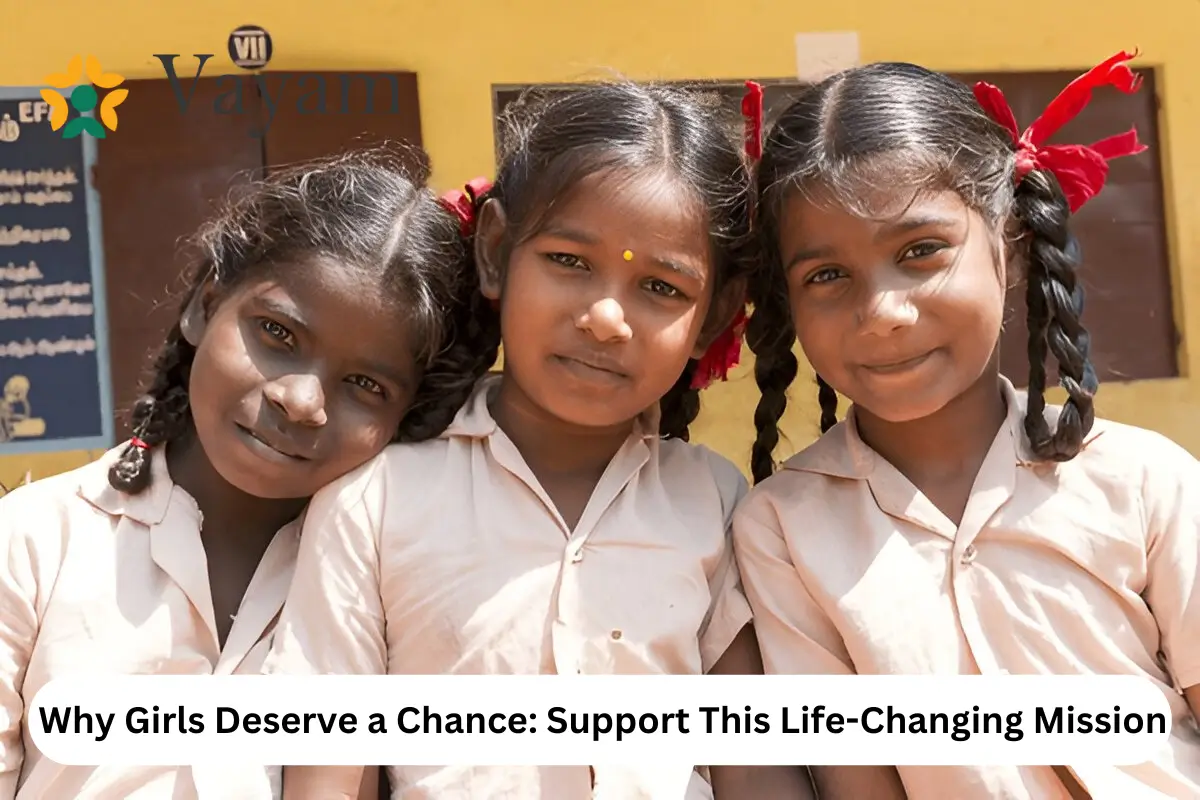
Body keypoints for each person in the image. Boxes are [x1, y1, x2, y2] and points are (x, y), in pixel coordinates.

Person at [266, 81, 815, 799]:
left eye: (662, 288)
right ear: (496, 252)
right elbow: (330, 771)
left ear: (712, 321)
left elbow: (750, 758)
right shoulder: (374, 503)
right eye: (568, 262)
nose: (606, 318)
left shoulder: (712, 501)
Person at [737, 50, 1200, 798]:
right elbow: (858, 781)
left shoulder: (1146, 481)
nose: (883, 313)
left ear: (1009, 245)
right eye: (826, 276)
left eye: (920, 252)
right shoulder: (781, 531)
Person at [0, 148, 499, 800]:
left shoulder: (401, 587)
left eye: (364, 384)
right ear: (205, 308)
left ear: (410, 411)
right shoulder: (34, 544)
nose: (301, 400)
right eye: (277, 334)